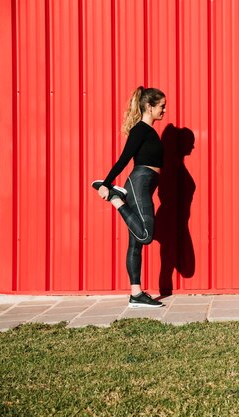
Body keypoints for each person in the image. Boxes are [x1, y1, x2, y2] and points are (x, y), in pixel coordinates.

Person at [91, 86, 167, 308]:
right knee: (145, 235)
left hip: (143, 185)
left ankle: (136, 294)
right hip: (138, 184)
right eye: (161, 106)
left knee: (136, 242)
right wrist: (106, 185)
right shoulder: (141, 130)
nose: (164, 110)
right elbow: (124, 159)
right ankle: (116, 199)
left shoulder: (149, 131)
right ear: (149, 106)